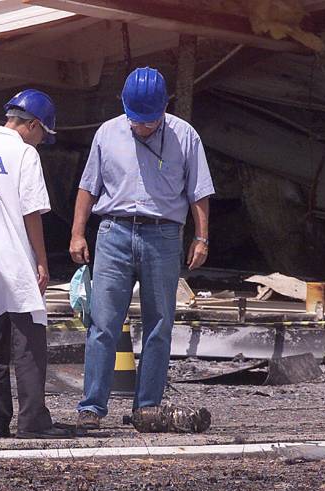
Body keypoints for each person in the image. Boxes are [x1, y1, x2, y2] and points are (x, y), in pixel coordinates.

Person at [69, 67, 214, 431]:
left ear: (164, 108)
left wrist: (201, 237)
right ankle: (92, 407)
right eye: (136, 120)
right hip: (114, 232)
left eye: (149, 121)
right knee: (102, 322)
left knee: (159, 324)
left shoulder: (185, 136)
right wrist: (77, 233)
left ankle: (146, 408)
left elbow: (199, 191)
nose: (142, 127)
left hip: (163, 235)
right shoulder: (107, 133)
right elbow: (88, 187)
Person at [0, 89, 70, 439]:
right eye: (42, 135)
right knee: (28, 338)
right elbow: (30, 211)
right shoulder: (24, 155)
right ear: (33, 125)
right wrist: (40, 259)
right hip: (15, 254)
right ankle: (32, 419)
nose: (40, 142)